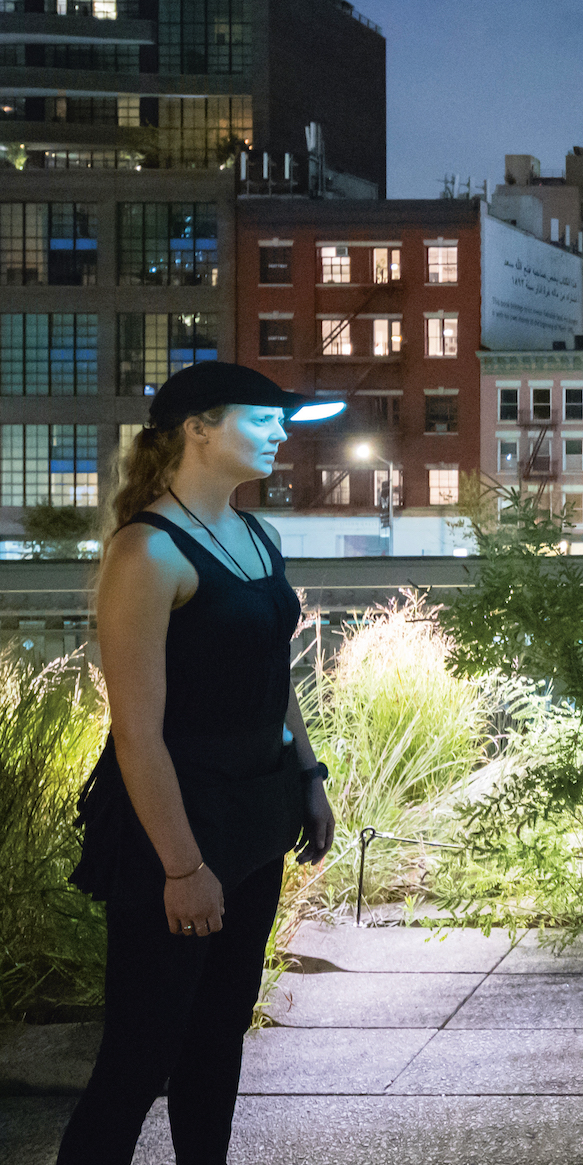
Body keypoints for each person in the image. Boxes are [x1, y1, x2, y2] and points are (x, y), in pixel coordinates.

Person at [60, 363, 343, 1164]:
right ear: (199, 429)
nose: (282, 434)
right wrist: (182, 867)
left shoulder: (257, 535)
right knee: (141, 1052)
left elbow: (271, 673)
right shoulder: (148, 551)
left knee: (219, 1035)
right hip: (176, 822)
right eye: (264, 419)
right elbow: (137, 734)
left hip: (257, 812)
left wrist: (308, 774)